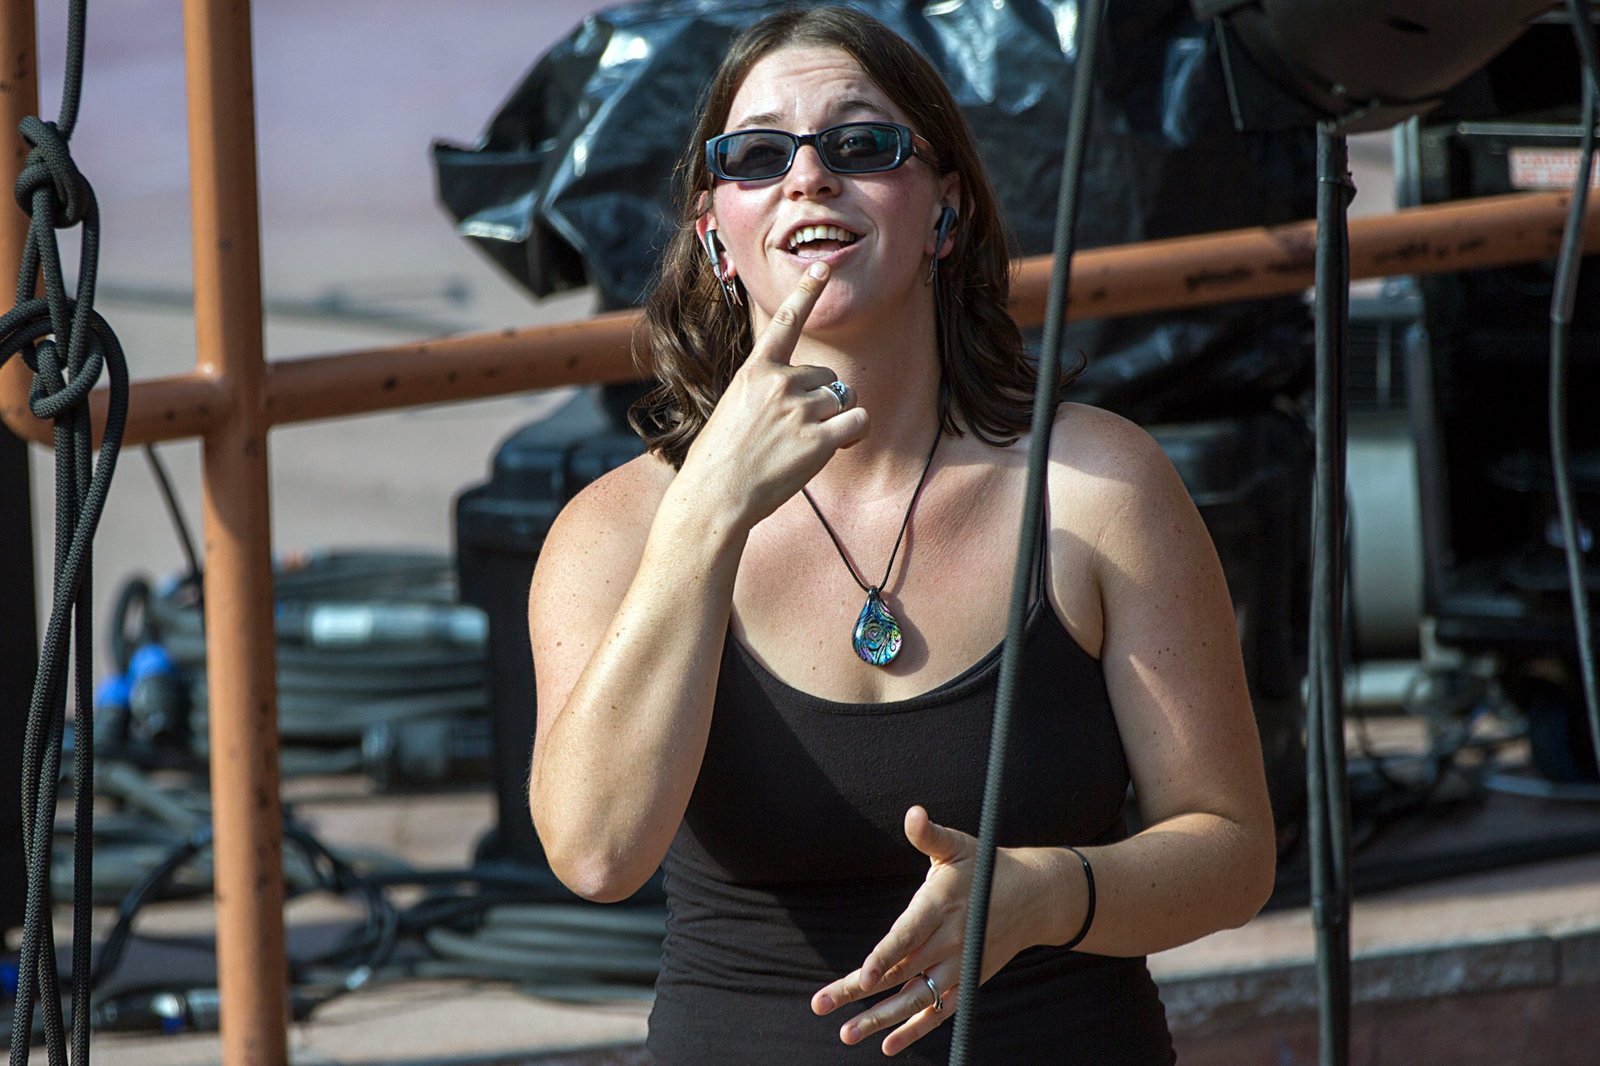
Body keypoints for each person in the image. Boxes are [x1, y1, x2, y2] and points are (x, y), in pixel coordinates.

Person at [526, 7, 1276, 1062]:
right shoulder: (613, 529)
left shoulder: (1097, 485)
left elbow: (1234, 852)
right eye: (757, 155)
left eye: (861, 145)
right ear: (714, 230)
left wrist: (1052, 891)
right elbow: (596, 853)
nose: (809, 177)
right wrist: (703, 518)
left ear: (945, 214)